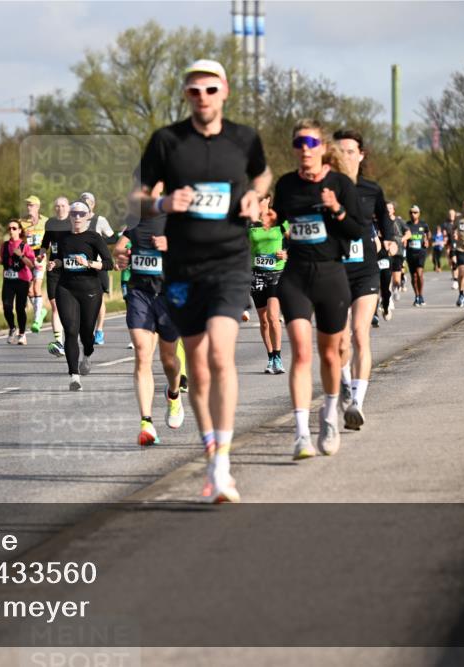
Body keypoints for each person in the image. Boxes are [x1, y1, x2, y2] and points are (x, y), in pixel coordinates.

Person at [134, 59, 271, 504]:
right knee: (198, 366)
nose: (203, 98)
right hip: (182, 269)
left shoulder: (243, 138)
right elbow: (137, 194)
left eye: (210, 90)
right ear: (186, 94)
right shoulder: (167, 141)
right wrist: (163, 201)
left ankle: (222, 464)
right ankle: (211, 449)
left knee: (219, 352)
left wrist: (254, 194)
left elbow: (262, 172)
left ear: (224, 91)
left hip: (230, 261)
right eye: (195, 91)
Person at [273, 119, 365, 461]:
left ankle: (328, 417)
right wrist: (268, 219)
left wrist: (336, 209)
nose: (304, 149)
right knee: (300, 352)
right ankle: (300, 436)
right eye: (298, 143)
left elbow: (356, 231)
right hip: (295, 276)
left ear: (323, 146)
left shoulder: (340, 184)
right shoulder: (286, 185)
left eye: (310, 142)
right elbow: (277, 216)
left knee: (330, 354)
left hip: (331, 276)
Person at [332, 129, 396, 429]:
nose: (344, 156)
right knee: (340, 340)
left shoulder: (372, 190)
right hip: (335, 270)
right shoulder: (326, 189)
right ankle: (345, 384)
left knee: (360, 332)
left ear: (360, 154)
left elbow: (386, 222)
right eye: (339, 150)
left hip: (366, 270)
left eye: (349, 151)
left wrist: (391, 240)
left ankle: (357, 402)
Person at [112, 204, 185, 446]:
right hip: (140, 294)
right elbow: (120, 247)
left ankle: (173, 395)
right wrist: (120, 255)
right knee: (143, 354)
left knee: (168, 360)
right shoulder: (135, 219)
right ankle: (146, 423)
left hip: (168, 296)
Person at [50, 201, 113, 391]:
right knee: (70, 331)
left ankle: (87, 355)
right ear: (69, 216)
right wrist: (56, 264)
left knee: (86, 333)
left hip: (90, 289)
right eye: (74, 213)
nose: (77, 217)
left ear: (88, 216)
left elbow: (109, 263)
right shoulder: (63, 237)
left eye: (81, 214)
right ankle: (74, 376)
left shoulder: (94, 237)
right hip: (66, 288)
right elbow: (60, 258)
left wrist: (90, 263)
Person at [248, 195, 288, 374]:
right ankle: (270, 356)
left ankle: (278, 358)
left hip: (277, 272)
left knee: (273, 316)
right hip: (256, 273)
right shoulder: (249, 222)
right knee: (264, 321)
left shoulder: (280, 220)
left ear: (269, 199)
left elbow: (296, 241)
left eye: (261, 198)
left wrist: (286, 253)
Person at [81, 192, 117, 345]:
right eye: (82, 201)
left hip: (98, 265)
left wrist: (98, 240)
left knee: (99, 298)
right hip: (80, 265)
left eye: (88, 201)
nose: (85, 203)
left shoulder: (100, 220)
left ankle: (99, 330)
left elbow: (113, 237)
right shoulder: (76, 220)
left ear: (93, 204)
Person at [0, 219, 36, 344]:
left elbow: (31, 265)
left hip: (22, 280)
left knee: (20, 308)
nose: (11, 231)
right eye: (9, 228)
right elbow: (0, 259)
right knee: (6, 306)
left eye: (14, 228)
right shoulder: (4, 245)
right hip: (8, 280)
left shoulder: (25, 246)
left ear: (19, 230)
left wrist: (21, 255)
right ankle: (12, 328)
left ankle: (22, 334)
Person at [42, 197, 70, 356]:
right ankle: (59, 342)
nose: (60, 208)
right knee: (55, 304)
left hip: (69, 268)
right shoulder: (51, 223)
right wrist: (40, 254)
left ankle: (71, 336)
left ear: (68, 207)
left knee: (69, 305)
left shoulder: (73, 223)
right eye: (57, 206)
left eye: (62, 206)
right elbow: (45, 243)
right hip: (53, 267)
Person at [20, 195, 48, 333]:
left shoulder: (46, 221)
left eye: (32, 205)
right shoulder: (22, 222)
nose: (29, 207)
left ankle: (37, 320)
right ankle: (41, 310)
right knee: (29, 290)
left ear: (38, 207)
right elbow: (19, 240)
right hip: (27, 257)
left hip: (40, 256)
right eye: (28, 205)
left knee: (37, 287)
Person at [405, 205, 430, 306]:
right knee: (413, 276)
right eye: (411, 212)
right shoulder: (406, 225)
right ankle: (417, 296)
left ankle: (421, 294)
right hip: (410, 253)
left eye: (415, 212)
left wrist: (427, 240)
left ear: (419, 214)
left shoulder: (423, 225)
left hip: (421, 253)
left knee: (419, 274)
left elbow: (428, 233)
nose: (413, 214)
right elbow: (403, 235)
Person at [386, 201, 408, 303]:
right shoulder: (382, 221)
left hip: (398, 252)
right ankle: (388, 298)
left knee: (396, 279)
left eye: (390, 208)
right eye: (386, 208)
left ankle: (396, 289)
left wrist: (402, 239)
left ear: (393, 210)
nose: (388, 210)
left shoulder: (399, 221)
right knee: (386, 276)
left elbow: (408, 233)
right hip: (386, 253)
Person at [444, 208, 459, 290]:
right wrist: (446, 244)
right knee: (453, 262)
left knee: (458, 263)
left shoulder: (459, 223)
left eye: (453, 214)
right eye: (450, 214)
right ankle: (455, 280)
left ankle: (457, 278)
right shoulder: (446, 225)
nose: (451, 216)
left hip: (460, 246)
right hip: (451, 246)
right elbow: (445, 236)